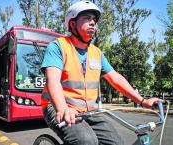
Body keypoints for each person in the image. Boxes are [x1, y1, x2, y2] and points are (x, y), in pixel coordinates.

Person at [40, 1, 161, 145]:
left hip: (88, 111)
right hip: (57, 107)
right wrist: (63, 108)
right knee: (86, 141)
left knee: (116, 143)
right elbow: (52, 80)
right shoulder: (58, 46)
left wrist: (142, 101)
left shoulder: (96, 53)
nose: (92, 23)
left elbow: (115, 78)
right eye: (86, 18)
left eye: (94, 20)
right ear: (72, 24)